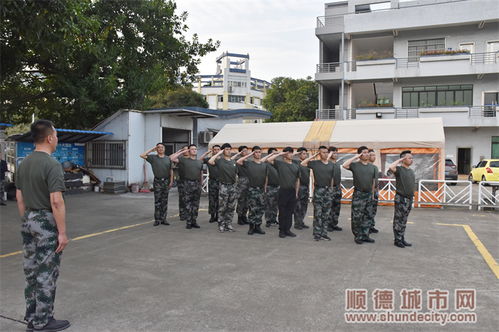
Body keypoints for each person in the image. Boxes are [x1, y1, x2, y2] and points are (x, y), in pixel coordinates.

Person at [15, 120, 70, 331]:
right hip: (45, 222)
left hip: (28, 219)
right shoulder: (52, 165)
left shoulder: (24, 163)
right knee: (47, 271)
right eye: (56, 135)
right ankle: (43, 321)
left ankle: (31, 316)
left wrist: (27, 220)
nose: (57, 139)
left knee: (31, 271)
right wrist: (62, 232)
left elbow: (20, 197)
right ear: (49, 138)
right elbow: (56, 201)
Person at [343, 146, 378, 244]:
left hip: (368, 194)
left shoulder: (373, 167)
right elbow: (344, 165)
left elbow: (373, 182)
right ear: (360, 154)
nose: (367, 154)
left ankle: (365, 235)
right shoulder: (355, 165)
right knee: (357, 217)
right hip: (359, 194)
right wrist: (355, 157)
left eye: (367, 152)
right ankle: (358, 236)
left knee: (367, 216)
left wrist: (372, 195)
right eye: (364, 152)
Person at [264, 147, 300, 239]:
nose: (291, 154)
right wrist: (280, 154)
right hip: (283, 190)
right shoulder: (280, 164)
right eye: (289, 153)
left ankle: (288, 230)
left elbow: (297, 180)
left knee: (290, 212)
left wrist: (296, 192)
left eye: (292, 153)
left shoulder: (296, 165)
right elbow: (268, 159)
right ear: (285, 155)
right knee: (282, 212)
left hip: (292, 191)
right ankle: (282, 230)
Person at [301, 146, 335, 241]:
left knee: (326, 213)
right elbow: (303, 163)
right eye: (322, 152)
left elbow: (332, 178)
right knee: (318, 213)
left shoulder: (331, 165)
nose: (325, 154)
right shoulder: (315, 163)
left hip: (328, 190)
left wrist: (331, 189)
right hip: (319, 190)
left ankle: (324, 233)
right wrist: (313, 156)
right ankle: (317, 233)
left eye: (326, 152)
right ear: (319, 154)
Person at [209, 143, 240, 232]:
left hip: (232, 186)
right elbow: (210, 161)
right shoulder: (220, 161)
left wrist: (236, 186)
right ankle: (221, 224)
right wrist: (219, 153)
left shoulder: (233, 162)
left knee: (231, 207)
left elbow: (236, 175)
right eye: (226, 149)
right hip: (223, 186)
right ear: (223, 151)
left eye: (229, 149)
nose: (228, 150)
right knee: (222, 207)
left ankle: (228, 224)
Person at [170, 145, 203, 229]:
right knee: (188, 203)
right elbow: (172, 158)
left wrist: (201, 183)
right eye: (192, 149)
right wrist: (182, 152)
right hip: (187, 183)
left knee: (196, 204)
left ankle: (194, 221)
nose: (194, 150)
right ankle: (188, 222)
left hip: (197, 184)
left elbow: (200, 173)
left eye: (195, 149)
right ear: (189, 151)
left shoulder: (199, 162)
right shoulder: (183, 160)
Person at [140, 143, 173, 226]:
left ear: (164, 149)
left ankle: (164, 219)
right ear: (156, 149)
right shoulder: (153, 158)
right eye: (158, 147)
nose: (160, 149)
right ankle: (157, 220)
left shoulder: (168, 158)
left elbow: (171, 171)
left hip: (166, 181)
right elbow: (142, 155)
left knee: (164, 201)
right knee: (157, 201)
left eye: (162, 147)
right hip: (157, 181)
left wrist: (171, 181)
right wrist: (152, 149)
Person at [237, 146, 267, 235]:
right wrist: (249, 154)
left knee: (260, 209)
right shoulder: (249, 163)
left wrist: (265, 188)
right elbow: (238, 161)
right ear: (253, 153)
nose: (258, 153)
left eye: (259, 152)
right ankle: (251, 227)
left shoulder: (264, 164)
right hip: (252, 189)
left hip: (261, 189)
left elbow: (266, 177)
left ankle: (258, 226)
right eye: (256, 152)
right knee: (252, 209)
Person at [389, 150, 416, 248]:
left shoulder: (411, 171)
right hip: (401, 198)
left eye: (412, 158)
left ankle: (402, 237)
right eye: (409, 158)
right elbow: (391, 167)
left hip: (409, 199)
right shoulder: (399, 169)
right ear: (403, 159)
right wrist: (400, 160)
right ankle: (397, 240)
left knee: (404, 220)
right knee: (398, 220)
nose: (411, 160)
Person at [200, 145, 221, 223]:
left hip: (220, 182)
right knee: (212, 200)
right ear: (212, 151)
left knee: (220, 200)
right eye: (214, 150)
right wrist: (206, 153)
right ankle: (212, 216)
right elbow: (200, 160)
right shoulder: (209, 159)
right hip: (212, 181)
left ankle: (218, 216)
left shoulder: (222, 160)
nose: (216, 151)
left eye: (218, 149)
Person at [293, 147, 310, 230]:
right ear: (299, 154)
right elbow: (287, 157)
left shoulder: (307, 163)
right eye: (303, 153)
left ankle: (301, 221)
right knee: (298, 206)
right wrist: (296, 153)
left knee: (304, 206)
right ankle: (297, 223)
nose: (305, 155)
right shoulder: (296, 162)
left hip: (306, 187)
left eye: (306, 154)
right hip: (299, 186)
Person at [327, 146, 343, 232]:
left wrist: (339, 187)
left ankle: (334, 224)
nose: (335, 154)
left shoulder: (337, 164)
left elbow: (338, 177)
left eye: (336, 153)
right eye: (333, 153)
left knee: (337, 207)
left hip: (337, 187)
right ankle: (328, 224)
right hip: (330, 188)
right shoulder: (327, 163)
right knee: (329, 207)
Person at [264, 148, 279, 228]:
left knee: (275, 205)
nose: (275, 155)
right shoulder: (266, 163)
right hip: (270, 187)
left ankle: (274, 219)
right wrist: (265, 188)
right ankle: (268, 220)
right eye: (273, 153)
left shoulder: (277, 164)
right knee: (268, 205)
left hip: (277, 187)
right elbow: (265, 176)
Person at [236, 145, 250, 225]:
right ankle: (240, 217)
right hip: (242, 182)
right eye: (244, 151)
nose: (246, 152)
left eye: (247, 150)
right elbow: (239, 162)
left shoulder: (248, 161)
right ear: (241, 152)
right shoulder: (239, 160)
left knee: (247, 201)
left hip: (249, 181)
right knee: (241, 200)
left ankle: (244, 216)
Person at [367, 149, 380, 234]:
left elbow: (376, 181)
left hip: (374, 191)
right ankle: (366, 227)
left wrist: (377, 192)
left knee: (373, 210)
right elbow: (371, 181)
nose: (374, 157)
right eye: (372, 155)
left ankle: (371, 226)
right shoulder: (367, 167)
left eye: (374, 155)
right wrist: (371, 194)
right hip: (369, 192)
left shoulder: (375, 167)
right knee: (368, 210)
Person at [176, 146, 190, 222]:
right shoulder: (180, 159)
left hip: (191, 181)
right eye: (184, 150)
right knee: (182, 199)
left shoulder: (192, 159)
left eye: (187, 150)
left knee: (190, 199)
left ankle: (189, 214)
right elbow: (171, 158)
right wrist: (180, 152)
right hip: (182, 181)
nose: (186, 151)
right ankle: (182, 214)